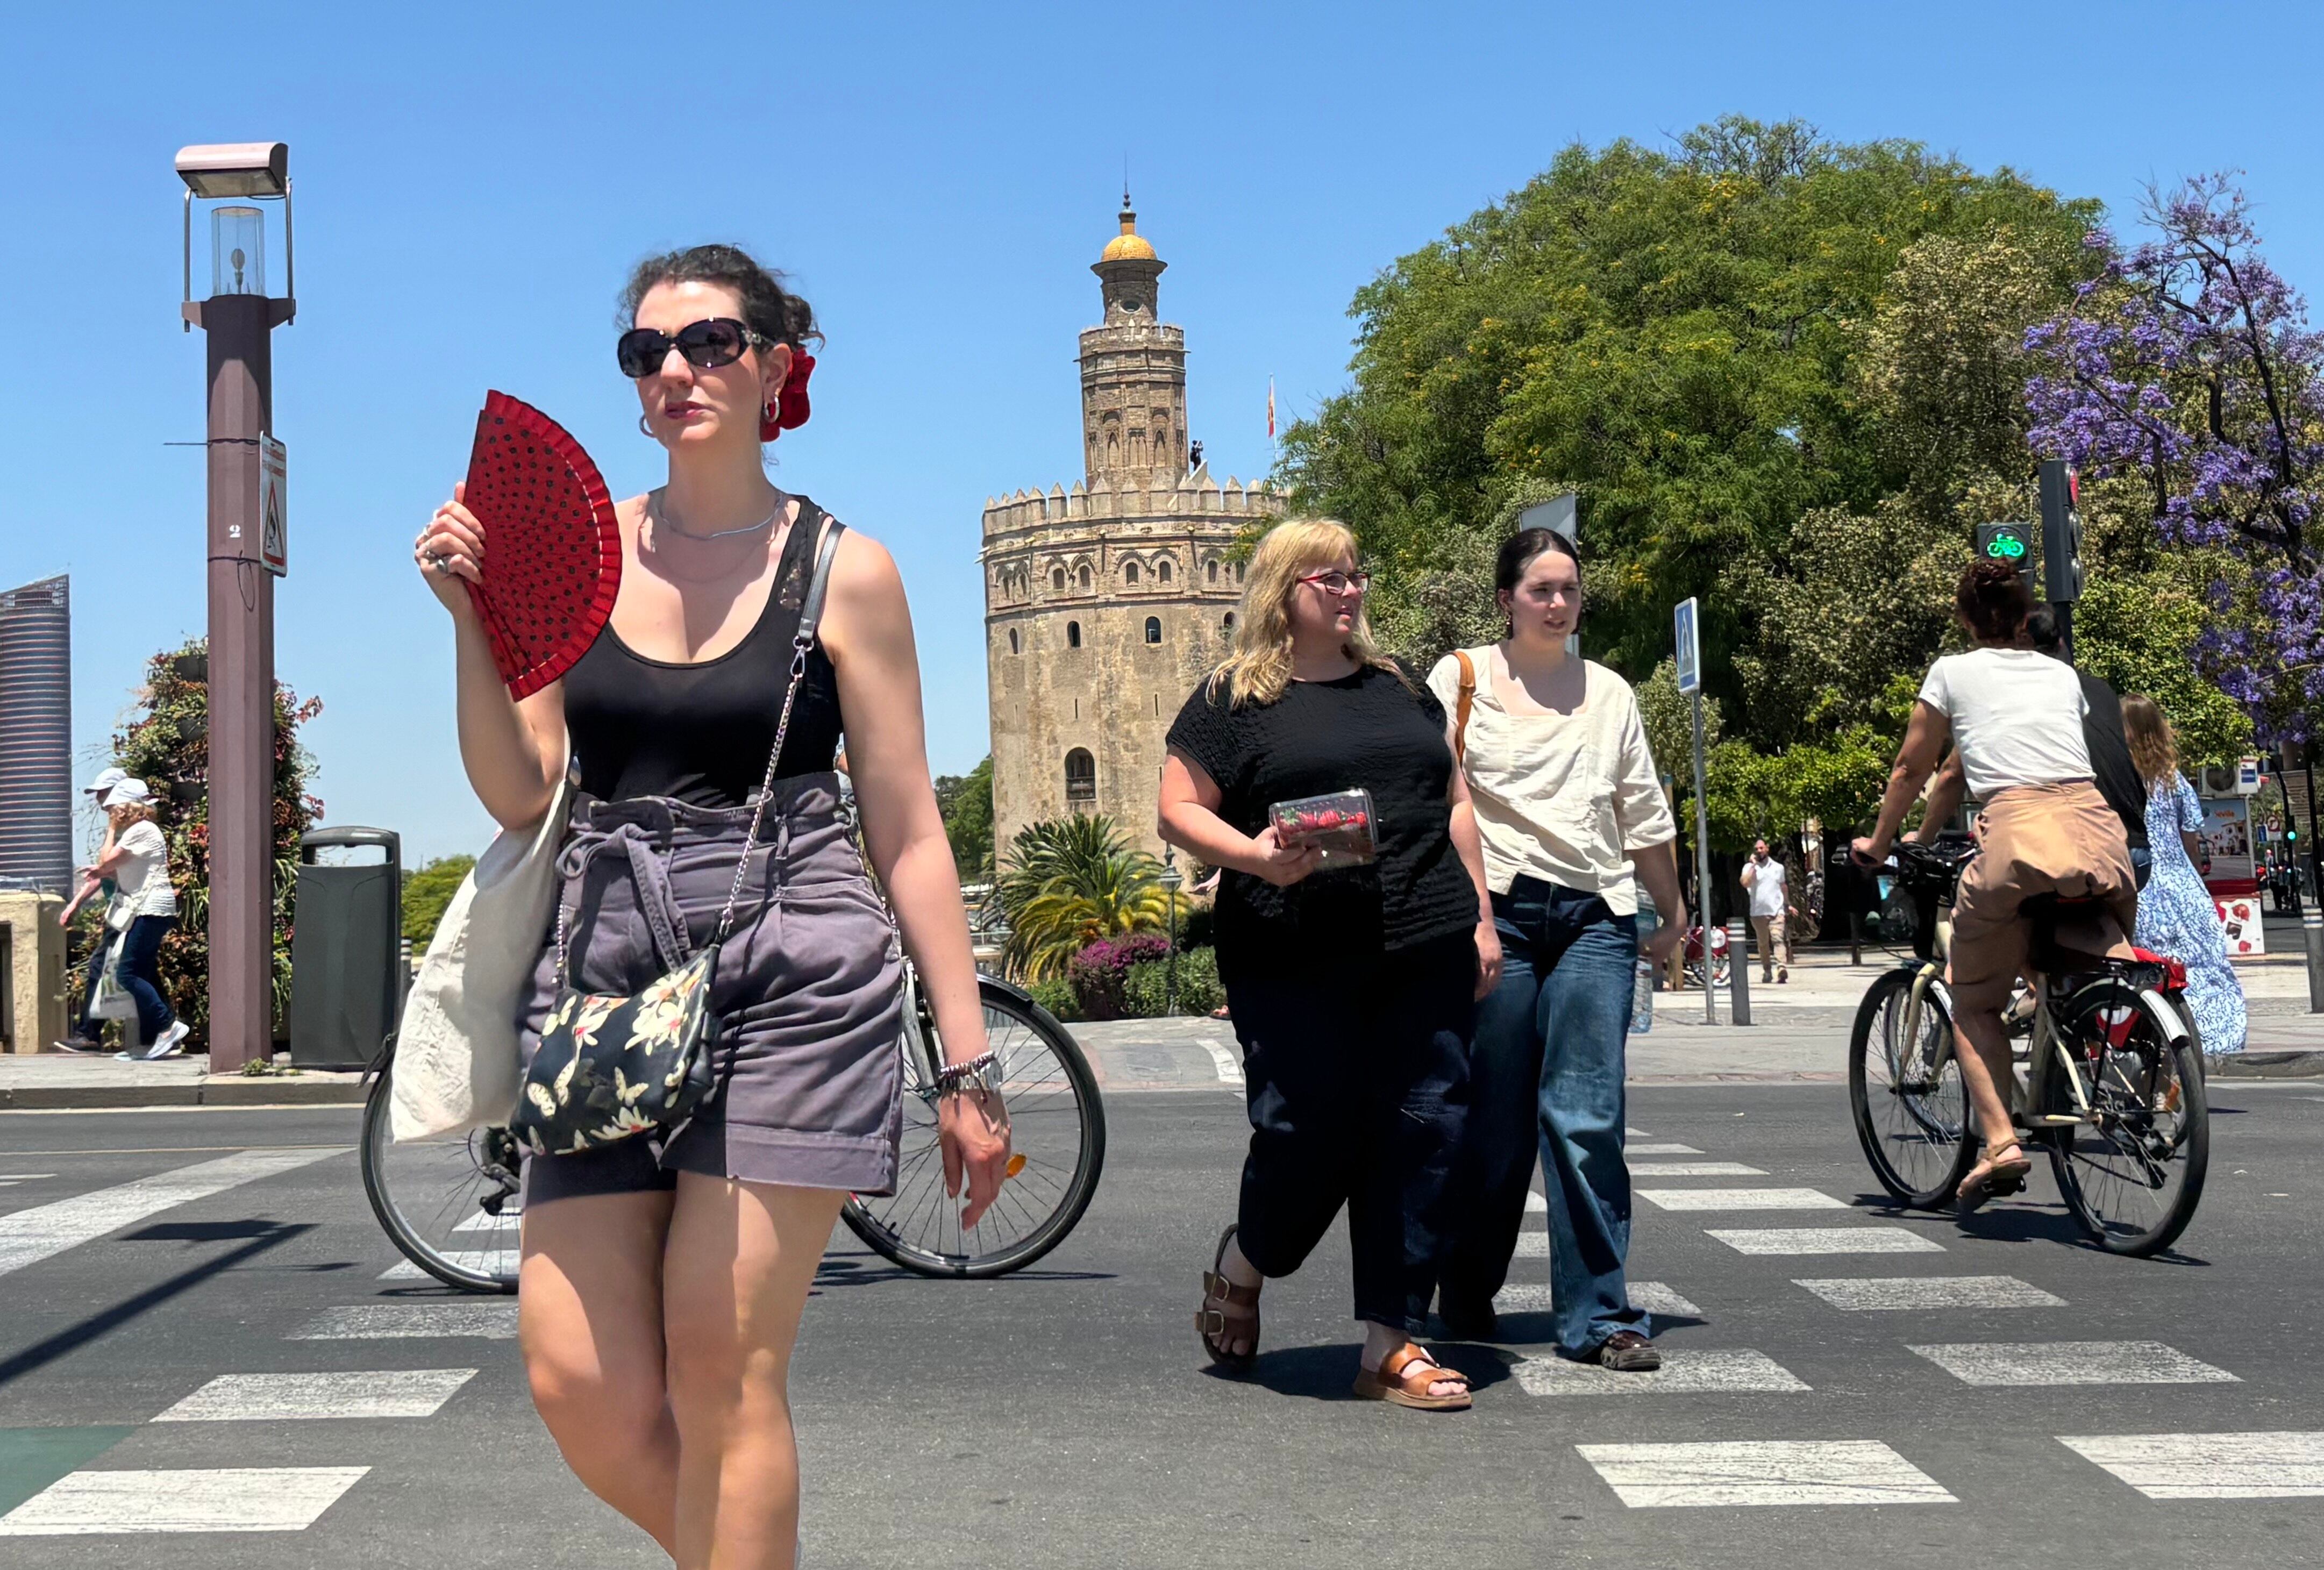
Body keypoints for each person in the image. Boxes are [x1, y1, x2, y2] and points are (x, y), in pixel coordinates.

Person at [412, 244, 1009, 1569]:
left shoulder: (846, 570)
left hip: (793, 944)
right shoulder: (570, 550)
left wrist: (964, 1060)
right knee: (581, 1383)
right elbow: (522, 792)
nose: (677, 369)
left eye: (711, 343)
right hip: (607, 955)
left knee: (720, 1364)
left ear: (778, 364)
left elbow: (907, 830)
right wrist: (472, 616)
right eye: (648, 352)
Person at [1160, 518, 1494, 1412]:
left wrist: (1483, 919)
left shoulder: (1395, 689)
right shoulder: (1233, 699)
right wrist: (1255, 854)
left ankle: (1390, 1342)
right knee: (1306, 1132)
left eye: (1356, 577)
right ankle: (1244, 1262)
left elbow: (1453, 802)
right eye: (1329, 580)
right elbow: (1176, 811)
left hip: (1423, 938)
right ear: (1282, 593)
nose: (1349, 593)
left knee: (1424, 1127)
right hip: (1291, 950)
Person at [1425, 528, 1687, 1368]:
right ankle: (1466, 1285)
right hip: (1494, 917)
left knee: (1584, 1119)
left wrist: (1671, 913)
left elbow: (1641, 810)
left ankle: (1600, 1317)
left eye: (1569, 590)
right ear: (1505, 598)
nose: (1557, 603)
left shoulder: (1608, 693)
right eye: (1540, 588)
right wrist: (1464, 919)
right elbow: (1437, 801)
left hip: (1594, 920)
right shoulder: (1459, 680)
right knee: (1494, 1123)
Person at [1857, 561, 2135, 1214]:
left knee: (1973, 1000)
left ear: (1962, 618)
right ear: (2023, 616)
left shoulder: (1951, 673)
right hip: (2097, 835)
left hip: (2015, 837)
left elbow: (1913, 766)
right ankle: (2107, 1043)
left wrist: (1879, 841)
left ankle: (2002, 1142)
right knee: (2081, 953)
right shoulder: (2061, 675)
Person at [1918, 607, 2149, 882]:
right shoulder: (2101, 690)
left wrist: (1921, 842)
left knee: (1976, 910)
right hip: (2130, 850)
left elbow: (1951, 775)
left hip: (2053, 853)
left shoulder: (2010, 696)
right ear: (2061, 643)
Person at [2121, 695, 2248, 1057]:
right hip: (2183, 889)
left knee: (2148, 975)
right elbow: (2192, 840)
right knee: (2203, 970)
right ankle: (2212, 1043)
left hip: (2142, 889)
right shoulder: (2173, 781)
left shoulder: (2119, 778)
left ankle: (2153, 1051)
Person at [58, 778, 187, 1058]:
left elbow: (107, 861)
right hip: (153, 910)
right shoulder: (143, 831)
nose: (110, 811)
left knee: (126, 973)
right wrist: (102, 870)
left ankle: (167, 1027)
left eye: (114, 807)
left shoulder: (138, 831)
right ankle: (160, 1037)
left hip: (149, 910)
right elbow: (113, 869)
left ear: (126, 807)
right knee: (140, 972)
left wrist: (112, 831)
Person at [1740, 838, 1794, 984]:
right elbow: (1745, 883)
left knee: (1778, 939)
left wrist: (1787, 905)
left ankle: (1782, 968)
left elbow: (1783, 886)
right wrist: (1753, 866)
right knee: (1763, 944)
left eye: (1762, 848)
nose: (1759, 851)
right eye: (1757, 849)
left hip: (1776, 911)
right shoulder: (1749, 868)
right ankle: (1767, 970)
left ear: (1767, 849)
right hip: (1758, 913)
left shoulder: (1778, 868)